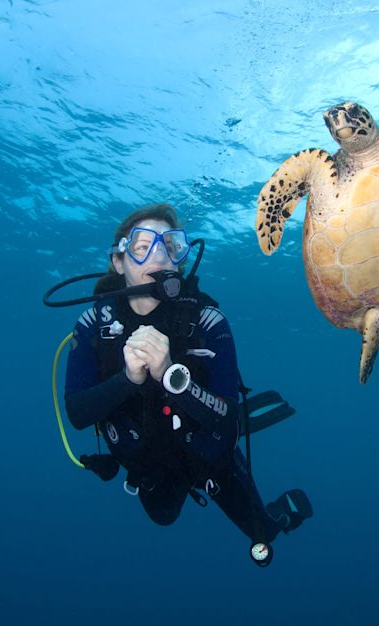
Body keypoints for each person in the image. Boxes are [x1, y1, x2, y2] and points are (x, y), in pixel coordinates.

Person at [63, 203, 312, 554]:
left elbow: (225, 423)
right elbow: (76, 413)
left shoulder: (208, 320)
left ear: (180, 259)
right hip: (144, 461)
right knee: (163, 516)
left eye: (171, 246)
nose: (158, 255)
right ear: (118, 263)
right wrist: (128, 379)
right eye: (141, 246)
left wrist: (168, 375)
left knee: (264, 534)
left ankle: (281, 517)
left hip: (206, 454)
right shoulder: (93, 324)